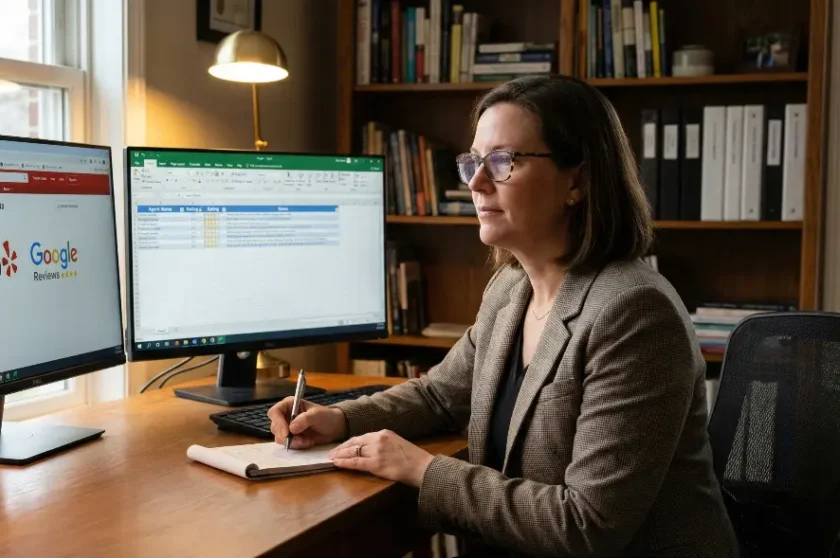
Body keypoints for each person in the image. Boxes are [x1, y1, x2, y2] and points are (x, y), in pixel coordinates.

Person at [268, 74, 738, 557]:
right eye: (473, 161)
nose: (475, 182)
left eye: (502, 161)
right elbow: (439, 395)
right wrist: (340, 419)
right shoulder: (510, 289)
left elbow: (588, 525)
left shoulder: (633, 312)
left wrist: (422, 469)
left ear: (576, 180)